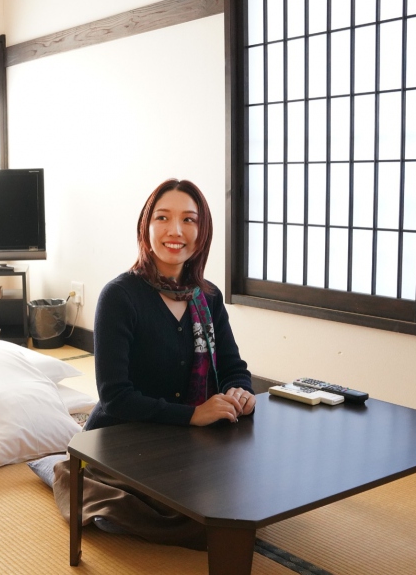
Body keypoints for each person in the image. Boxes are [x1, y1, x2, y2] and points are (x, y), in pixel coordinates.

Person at [40, 178, 255, 550]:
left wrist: (241, 391)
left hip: (188, 440)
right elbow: (115, 396)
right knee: (190, 518)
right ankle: (66, 473)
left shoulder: (208, 296)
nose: (176, 231)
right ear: (146, 226)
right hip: (125, 435)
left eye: (189, 220)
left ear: (202, 230)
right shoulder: (120, 296)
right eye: (163, 218)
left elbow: (233, 367)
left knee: (246, 499)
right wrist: (192, 414)